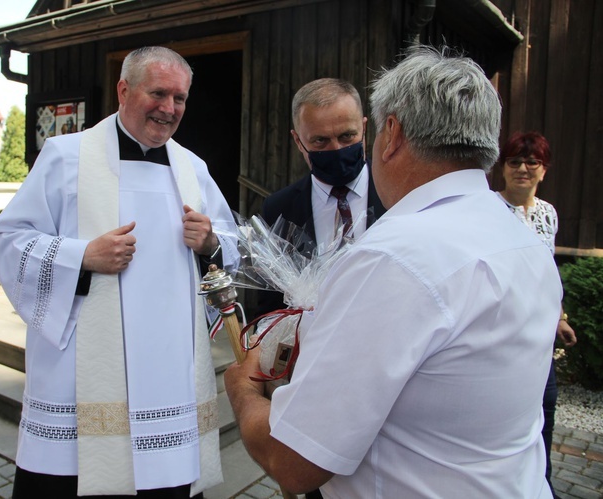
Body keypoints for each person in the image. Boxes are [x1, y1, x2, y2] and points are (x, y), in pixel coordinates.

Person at [225, 46, 561, 498]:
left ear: (390, 133)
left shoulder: (393, 257)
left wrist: (243, 392)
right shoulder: (521, 237)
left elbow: (295, 462)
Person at [0, 46, 238, 498]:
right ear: (124, 90)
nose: (169, 108)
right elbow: (6, 240)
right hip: (82, 377)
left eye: (180, 98)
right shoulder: (66, 157)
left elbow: (231, 244)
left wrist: (211, 242)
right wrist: (82, 255)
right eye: (158, 93)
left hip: (168, 374)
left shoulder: (191, 168)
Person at [257, 78, 385, 315]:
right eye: (320, 141)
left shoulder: (399, 194)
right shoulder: (279, 209)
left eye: (347, 136)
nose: (336, 149)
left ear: (364, 128)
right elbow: (270, 306)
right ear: (298, 140)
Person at [496, 130, 577, 497]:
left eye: (532, 162)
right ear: (503, 168)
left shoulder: (547, 213)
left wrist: (560, 318)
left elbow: (548, 273)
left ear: (544, 170)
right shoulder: (490, 208)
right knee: (508, 415)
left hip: (540, 335)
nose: (523, 169)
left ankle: (541, 483)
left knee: (545, 407)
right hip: (504, 334)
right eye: (514, 162)